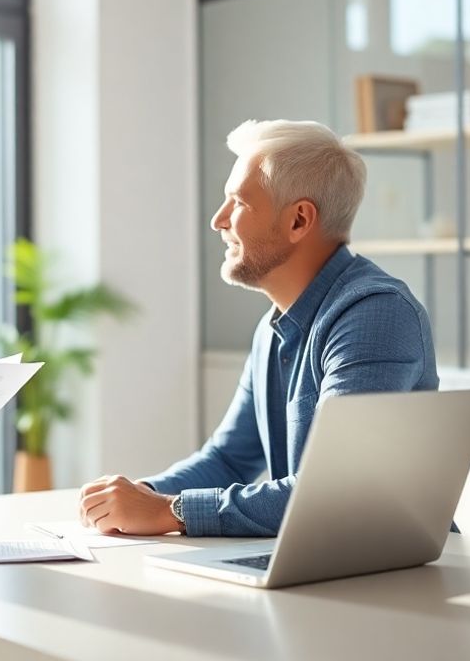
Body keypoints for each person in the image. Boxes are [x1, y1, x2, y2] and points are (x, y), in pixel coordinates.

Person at [78, 119, 438, 538]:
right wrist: (139, 496)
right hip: (320, 566)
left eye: (238, 202)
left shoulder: (376, 314)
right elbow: (229, 460)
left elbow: (333, 492)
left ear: (299, 220)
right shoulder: (273, 327)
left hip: (393, 580)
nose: (218, 220)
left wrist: (169, 511)